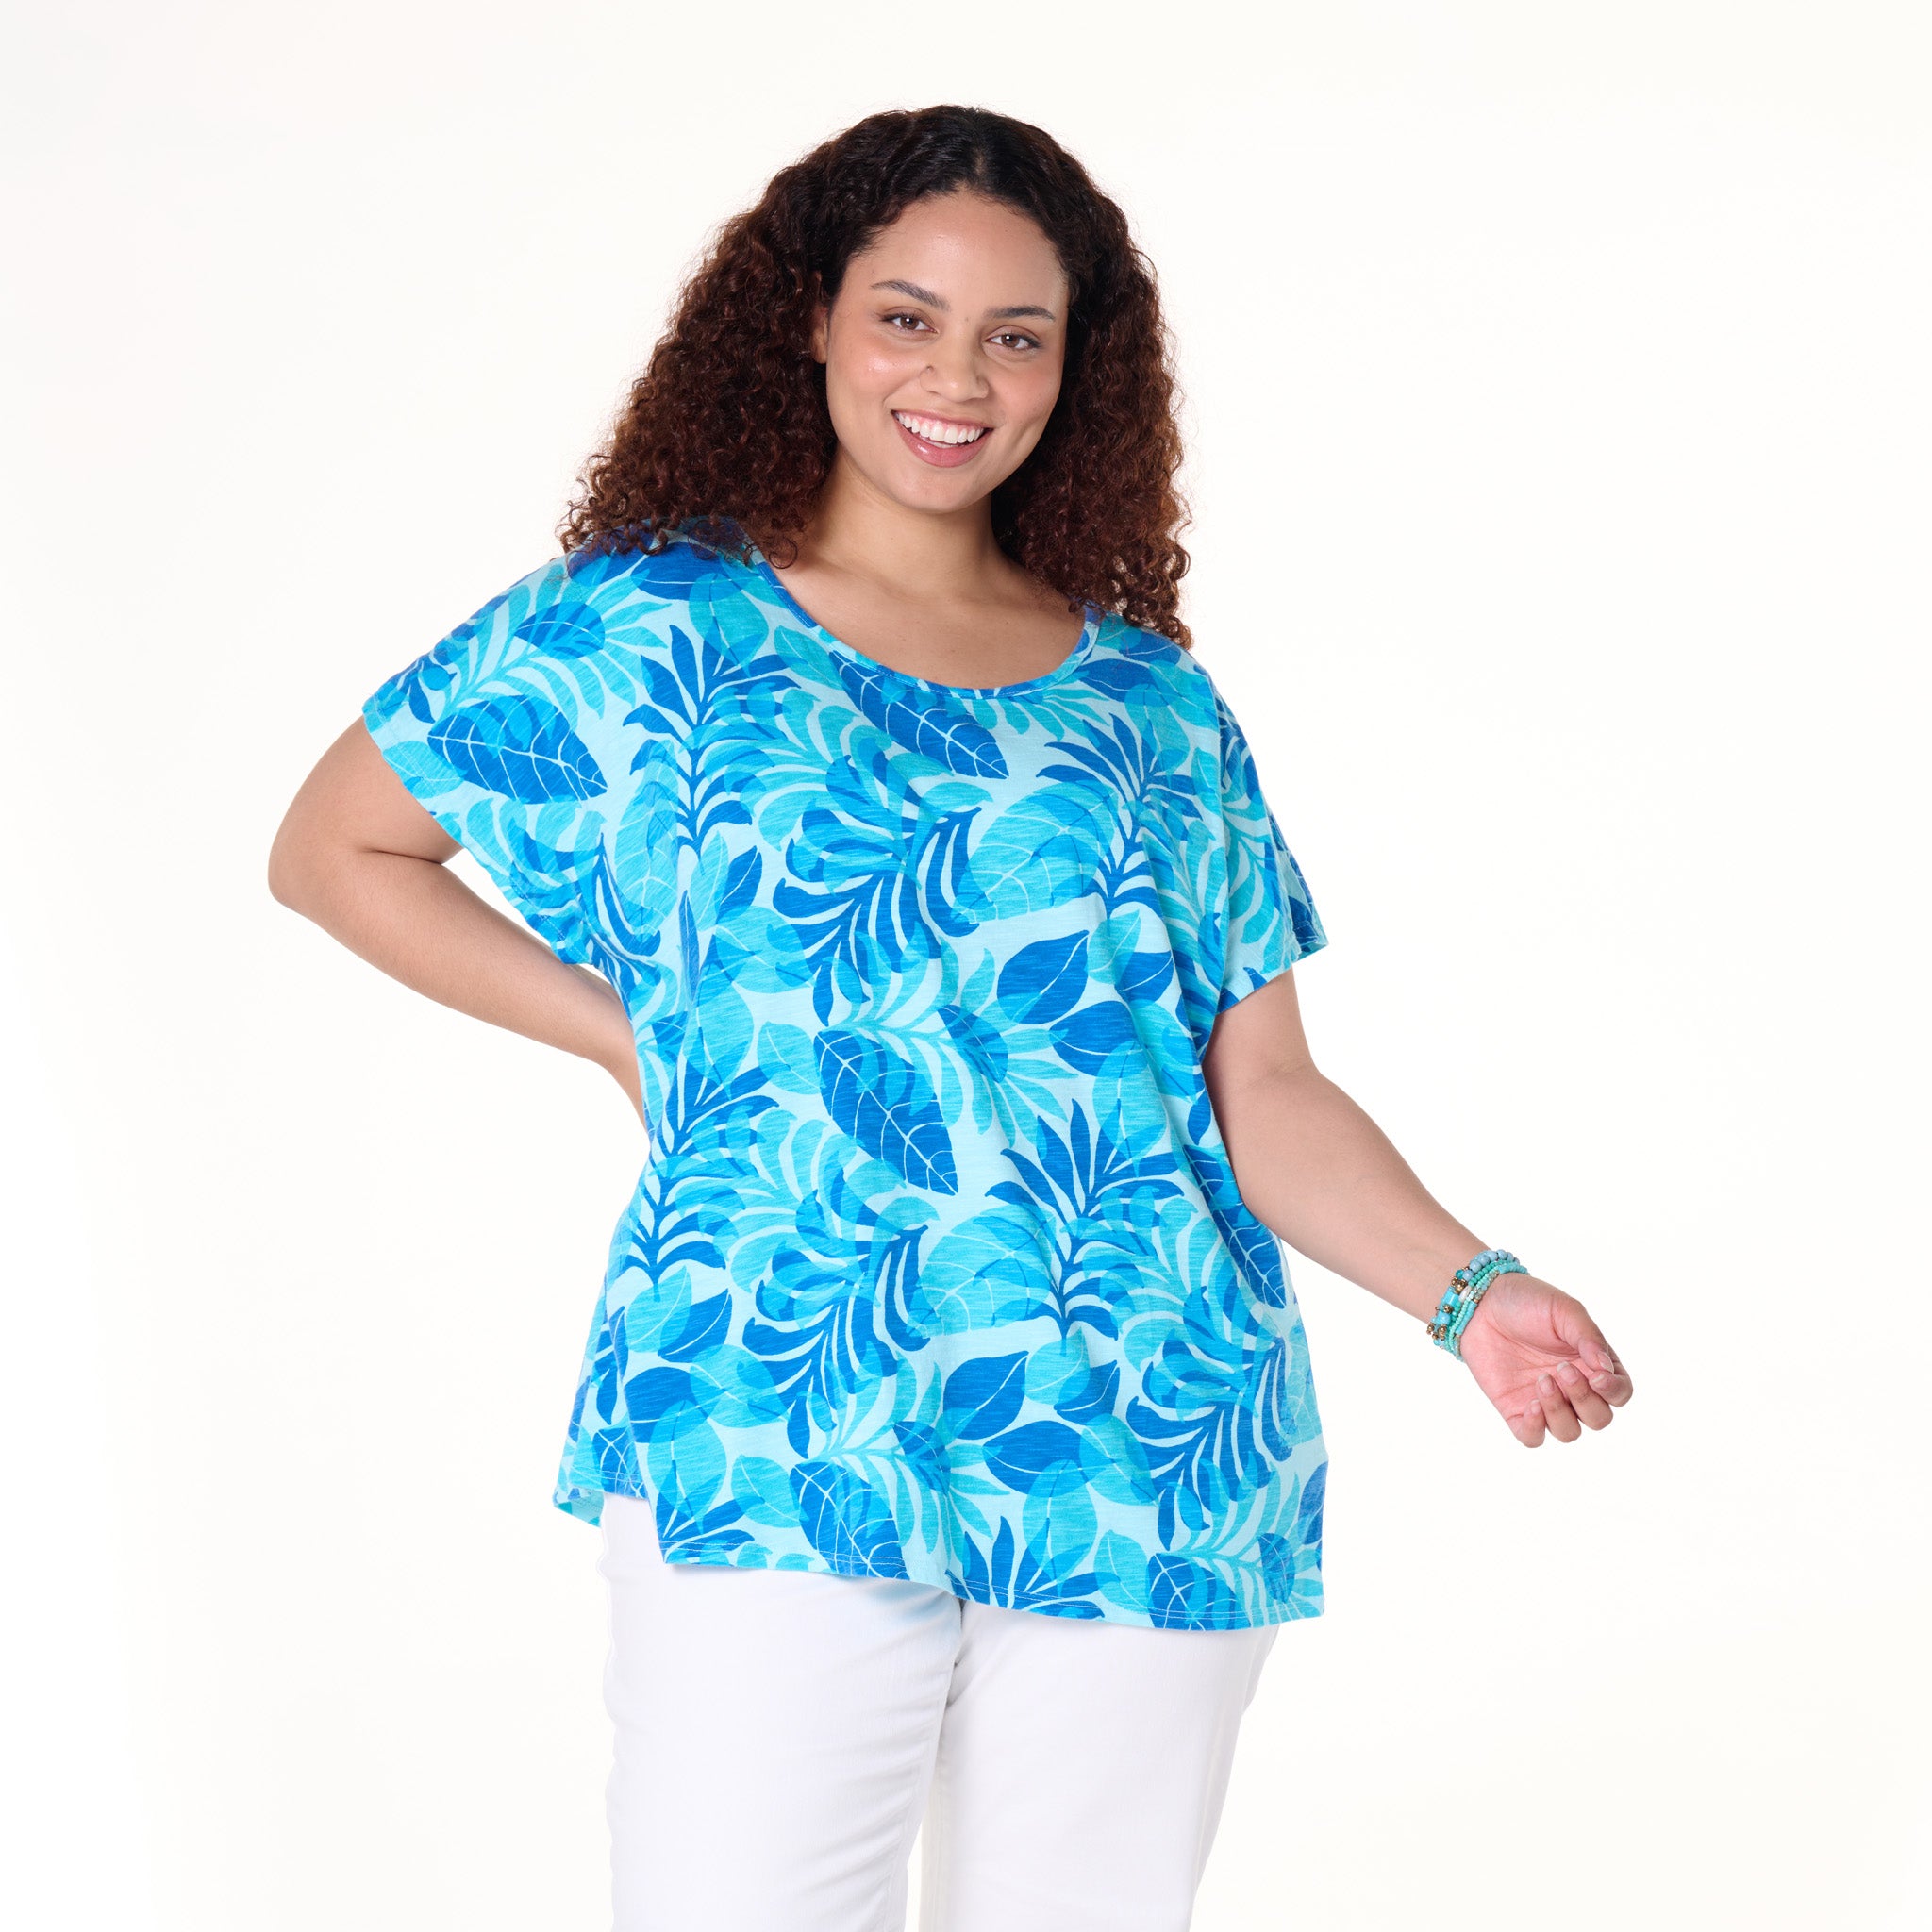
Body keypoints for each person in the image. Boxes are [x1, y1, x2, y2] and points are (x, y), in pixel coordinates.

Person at [268, 103, 1633, 1932]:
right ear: (812, 319)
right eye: (906, 317)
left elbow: (1262, 1093)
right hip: (767, 1413)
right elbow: (335, 845)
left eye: (1016, 336)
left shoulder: (1150, 709)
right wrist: (622, 1032)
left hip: (1147, 1436)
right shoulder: (644, 625)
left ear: (1077, 370)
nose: (957, 379)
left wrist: (1472, 1290)